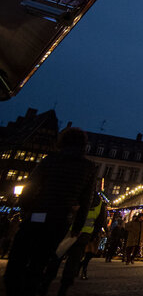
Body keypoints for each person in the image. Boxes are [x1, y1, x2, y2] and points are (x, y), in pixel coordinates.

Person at [4, 127, 97, 296]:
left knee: (20, 255)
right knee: (42, 259)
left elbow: (29, 188)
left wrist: (26, 209)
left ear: (62, 141)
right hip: (60, 219)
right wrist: (77, 226)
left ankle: (14, 288)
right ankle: (35, 287)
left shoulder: (50, 160)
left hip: (37, 214)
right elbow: (86, 200)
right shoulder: (88, 167)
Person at [39, 192, 108, 296]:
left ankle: (46, 284)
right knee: (73, 262)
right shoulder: (99, 204)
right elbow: (99, 222)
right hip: (83, 236)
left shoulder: (75, 197)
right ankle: (64, 288)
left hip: (67, 233)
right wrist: (93, 236)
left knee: (57, 258)